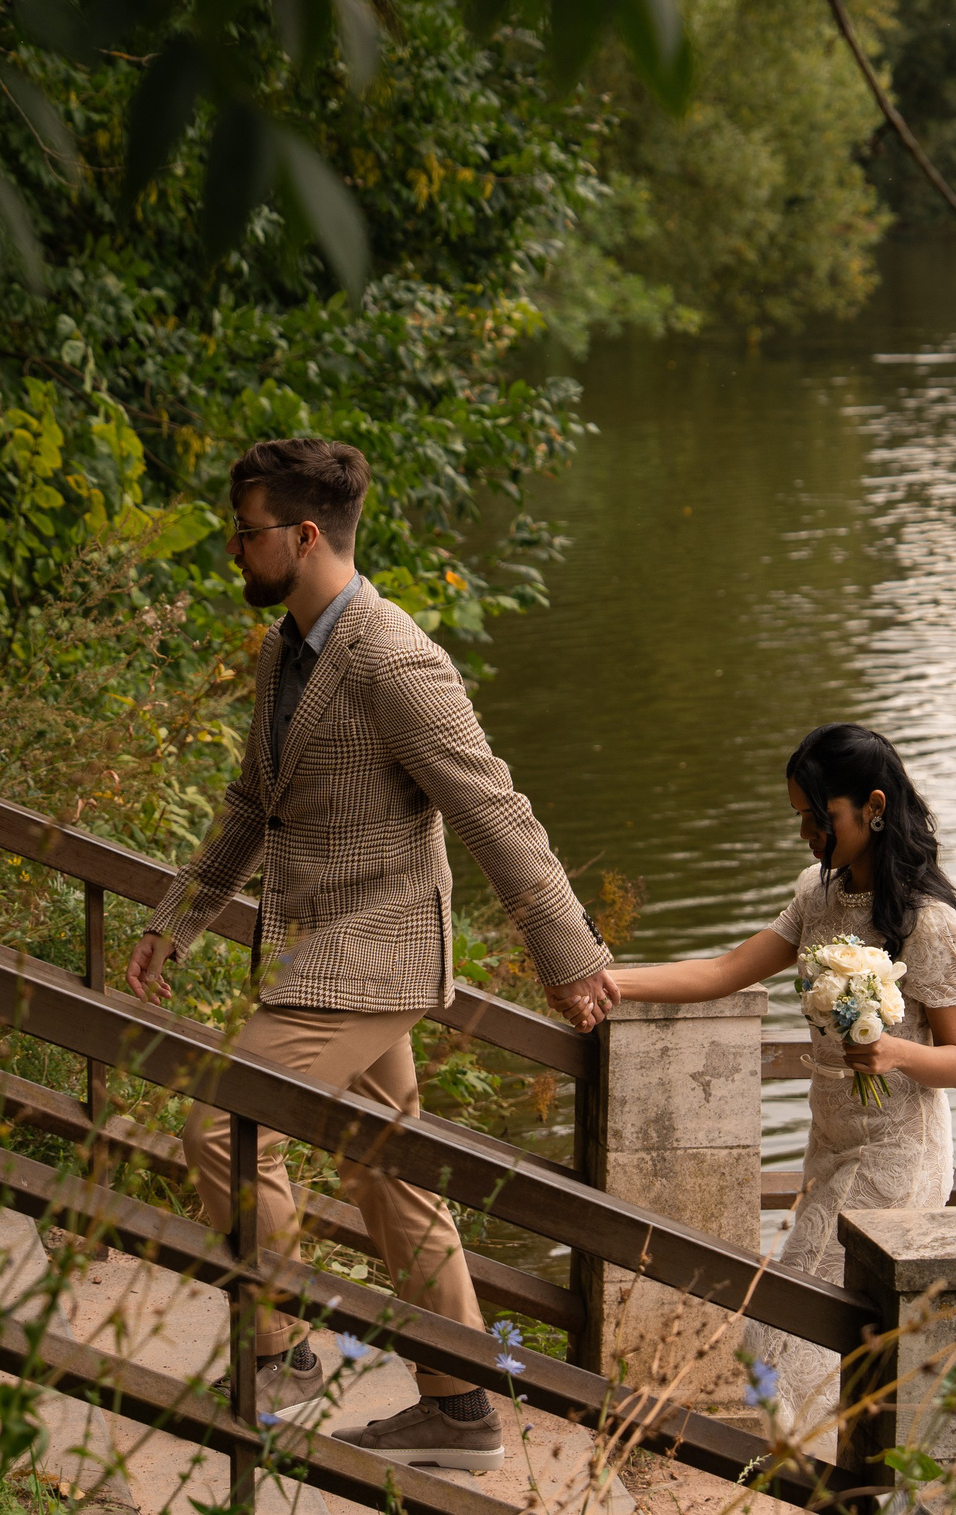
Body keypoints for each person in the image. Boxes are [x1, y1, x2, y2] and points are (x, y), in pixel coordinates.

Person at [126, 437, 621, 1472]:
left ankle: (279, 1351)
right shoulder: (284, 652)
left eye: (248, 531)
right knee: (387, 1173)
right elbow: (247, 807)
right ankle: (459, 1409)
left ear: (305, 536)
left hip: (377, 956)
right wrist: (178, 915)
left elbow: (492, 806)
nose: (232, 547)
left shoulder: (393, 657)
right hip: (319, 948)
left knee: (217, 1122)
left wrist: (568, 956)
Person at [609, 722, 956, 1440]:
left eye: (820, 819)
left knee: (777, 1338)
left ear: (873, 806)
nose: (807, 836)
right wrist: (609, 982)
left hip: (896, 1154)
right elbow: (725, 970)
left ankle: (812, 1472)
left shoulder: (929, 925)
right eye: (801, 819)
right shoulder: (817, 897)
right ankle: (852, 1468)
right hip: (832, 1143)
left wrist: (894, 1055)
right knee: (838, 1340)